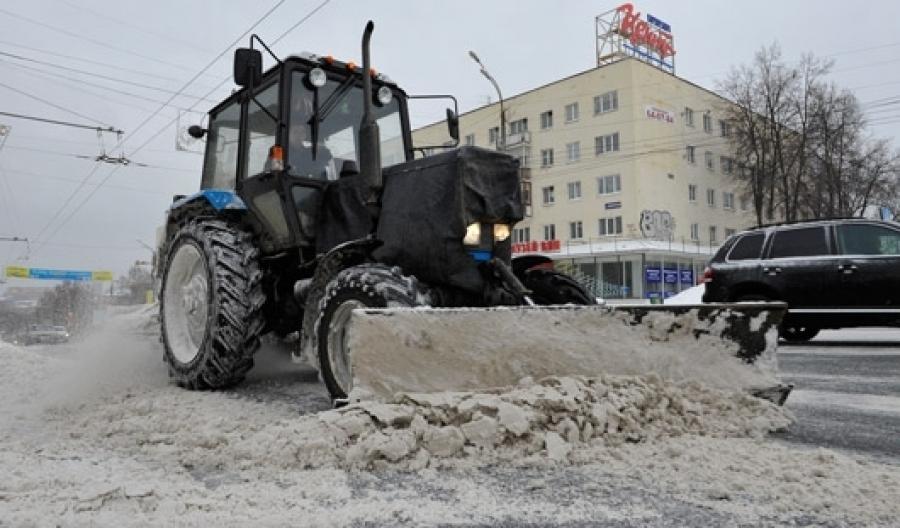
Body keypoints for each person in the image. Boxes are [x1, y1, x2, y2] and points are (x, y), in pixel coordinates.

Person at [288, 90, 336, 180]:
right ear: (288, 134)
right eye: (295, 132)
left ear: (305, 135)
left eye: (301, 132)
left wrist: (321, 149)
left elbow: (327, 158)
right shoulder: (278, 151)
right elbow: (274, 174)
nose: (299, 135)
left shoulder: (309, 153)